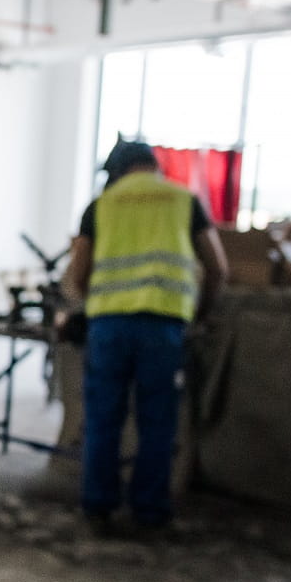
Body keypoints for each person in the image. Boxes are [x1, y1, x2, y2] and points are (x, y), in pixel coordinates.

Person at [63, 137, 228, 533]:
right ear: (154, 166)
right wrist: (200, 313)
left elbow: (74, 278)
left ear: (117, 172)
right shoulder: (183, 201)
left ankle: (98, 506)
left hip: (109, 326)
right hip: (164, 326)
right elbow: (218, 268)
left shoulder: (101, 205)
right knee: (158, 421)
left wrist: (85, 309)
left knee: (103, 418)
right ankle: (150, 511)